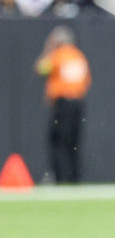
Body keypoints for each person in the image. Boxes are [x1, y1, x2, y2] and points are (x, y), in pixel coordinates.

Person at [34, 26, 91, 183]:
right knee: (74, 142)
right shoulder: (79, 56)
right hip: (78, 103)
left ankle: (59, 177)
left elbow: (40, 69)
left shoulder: (58, 55)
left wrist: (48, 49)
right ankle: (74, 177)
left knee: (58, 141)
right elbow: (86, 81)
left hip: (63, 103)